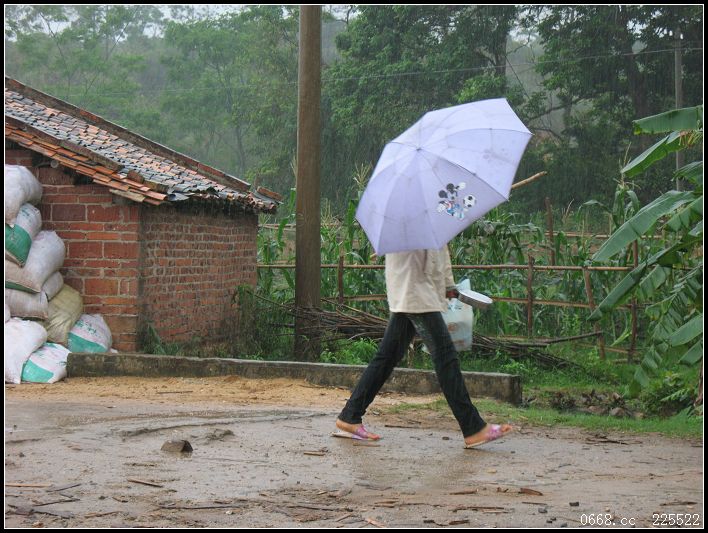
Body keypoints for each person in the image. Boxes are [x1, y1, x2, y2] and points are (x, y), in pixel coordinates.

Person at [335, 246, 512, 448]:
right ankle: (473, 428)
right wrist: (443, 284)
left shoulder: (424, 226)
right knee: (445, 358)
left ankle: (350, 415)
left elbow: (438, 247)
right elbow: (422, 253)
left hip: (415, 293)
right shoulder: (405, 227)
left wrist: (447, 284)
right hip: (416, 293)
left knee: (387, 357)